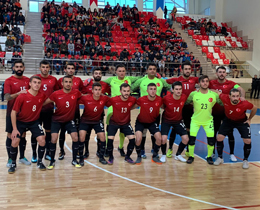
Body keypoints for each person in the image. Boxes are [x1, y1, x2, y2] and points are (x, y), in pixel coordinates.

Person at [131, 63, 171, 158]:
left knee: (155, 133)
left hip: (156, 113)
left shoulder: (161, 81)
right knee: (143, 133)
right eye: (150, 69)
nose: (152, 70)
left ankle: (154, 149)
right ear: (147, 70)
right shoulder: (141, 80)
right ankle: (142, 150)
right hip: (144, 112)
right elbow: (131, 88)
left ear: (156, 70)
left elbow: (171, 88)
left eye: (154, 69)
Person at [9, 76, 47, 174]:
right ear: (30, 83)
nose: (37, 84)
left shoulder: (42, 95)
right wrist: (14, 129)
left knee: (42, 140)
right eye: (34, 82)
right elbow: (13, 112)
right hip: (21, 122)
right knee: (15, 141)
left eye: (39, 83)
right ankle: (13, 163)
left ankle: (39, 162)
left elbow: (44, 102)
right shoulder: (22, 96)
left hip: (34, 122)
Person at [44, 76, 82, 169]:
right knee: (54, 138)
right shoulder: (56, 94)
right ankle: (52, 160)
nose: (68, 84)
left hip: (69, 120)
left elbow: (85, 97)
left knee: (75, 137)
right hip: (56, 120)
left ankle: (74, 160)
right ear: (62, 83)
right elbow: (45, 102)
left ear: (72, 84)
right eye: (66, 82)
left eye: (70, 82)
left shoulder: (76, 93)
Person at [209, 66, 246, 161]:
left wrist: (242, 97)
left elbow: (241, 89)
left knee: (230, 134)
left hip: (227, 114)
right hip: (215, 113)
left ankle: (232, 154)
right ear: (216, 73)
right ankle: (212, 153)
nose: (221, 74)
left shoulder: (231, 84)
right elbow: (203, 86)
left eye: (223, 72)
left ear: (226, 74)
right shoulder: (211, 83)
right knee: (213, 133)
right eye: (220, 72)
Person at [214, 89, 257, 169]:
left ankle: (245, 160)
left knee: (247, 140)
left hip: (241, 121)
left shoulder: (244, 104)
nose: (235, 98)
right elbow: (217, 92)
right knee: (219, 137)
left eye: (237, 96)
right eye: (233, 96)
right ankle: (220, 157)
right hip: (228, 120)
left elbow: (254, 108)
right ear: (229, 96)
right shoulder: (224, 98)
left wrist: (249, 119)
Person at [103, 64, 140, 156]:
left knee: (123, 130)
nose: (121, 73)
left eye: (123, 71)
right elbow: (100, 82)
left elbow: (140, 79)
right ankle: (108, 148)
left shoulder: (129, 79)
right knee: (110, 129)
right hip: (113, 107)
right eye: (119, 71)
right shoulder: (111, 80)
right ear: (116, 72)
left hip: (124, 107)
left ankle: (120, 147)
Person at [185, 75, 222, 165]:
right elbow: (187, 102)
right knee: (192, 140)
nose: (205, 83)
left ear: (208, 83)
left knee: (211, 140)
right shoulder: (193, 94)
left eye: (206, 81)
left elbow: (222, 103)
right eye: (203, 81)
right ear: (199, 83)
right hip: (195, 120)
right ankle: (191, 156)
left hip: (208, 121)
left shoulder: (214, 95)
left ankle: (209, 157)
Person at [166, 62, 199, 158]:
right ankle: (170, 148)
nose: (188, 71)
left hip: (189, 109)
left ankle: (188, 150)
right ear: (182, 70)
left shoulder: (194, 79)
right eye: (186, 69)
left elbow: (208, 80)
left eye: (189, 69)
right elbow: (165, 82)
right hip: (179, 109)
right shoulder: (177, 80)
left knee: (189, 130)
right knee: (175, 129)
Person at [31, 60, 59, 163]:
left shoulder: (53, 79)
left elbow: (56, 93)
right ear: (40, 68)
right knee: (35, 133)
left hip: (49, 110)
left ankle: (47, 153)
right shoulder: (36, 79)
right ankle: (34, 153)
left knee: (48, 132)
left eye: (47, 67)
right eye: (43, 67)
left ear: (49, 68)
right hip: (36, 110)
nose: (45, 69)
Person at [4, 60, 30, 168]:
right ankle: (10, 158)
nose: (19, 68)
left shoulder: (28, 80)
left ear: (24, 68)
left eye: (21, 67)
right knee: (11, 135)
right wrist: (19, 94)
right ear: (13, 68)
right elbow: (7, 97)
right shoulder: (9, 80)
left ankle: (22, 157)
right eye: (17, 67)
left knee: (23, 135)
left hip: (23, 113)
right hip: (11, 113)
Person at [57, 63, 84, 160]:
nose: (71, 70)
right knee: (62, 132)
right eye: (69, 68)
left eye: (72, 68)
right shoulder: (60, 80)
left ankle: (76, 150)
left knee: (75, 132)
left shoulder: (78, 80)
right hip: (62, 111)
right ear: (65, 69)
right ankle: (61, 150)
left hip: (75, 111)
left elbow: (83, 92)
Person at [82, 68, 111, 158]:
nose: (98, 75)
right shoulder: (87, 83)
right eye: (96, 73)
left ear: (101, 75)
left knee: (100, 134)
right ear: (93, 75)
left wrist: (104, 95)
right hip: (87, 112)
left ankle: (99, 151)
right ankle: (86, 151)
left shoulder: (105, 85)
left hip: (99, 113)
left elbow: (109, 95)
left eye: (99, 73)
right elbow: (82, 94)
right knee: (87, 134)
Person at [78, 83, 109, 165]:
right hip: (85, 121)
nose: (97, 91)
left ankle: (101, 157)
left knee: (102, 136)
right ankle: (81, 158)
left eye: (99, 90)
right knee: (82, 137)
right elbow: (74, 100)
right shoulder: (85, 98)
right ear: (92, 91)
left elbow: (114, 102)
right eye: (96, 90)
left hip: (97, 121)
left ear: (101, 90)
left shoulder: (105, 98)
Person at [132, 83, 163, 165]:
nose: (153, 91)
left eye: (154, 89)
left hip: (152, 122)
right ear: (147, 91)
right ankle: (139, 156)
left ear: (156, 90)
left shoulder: (159, 100)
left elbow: (166, 107)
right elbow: (131, 107)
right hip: (141, 122)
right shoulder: (142, 99)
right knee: (138, 139)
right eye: (151, 89)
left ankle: (155, 156)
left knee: (159, 139)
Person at [106, 83, 137, 164]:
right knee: (110, 140)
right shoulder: (114, 99)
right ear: (120, 91)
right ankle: (111, 157)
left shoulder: (132, 99)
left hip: (125, 123)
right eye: (124, 91)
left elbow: (136, 104)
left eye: (128, 91)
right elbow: (106, 104)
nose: (126, 93)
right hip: (114, 122)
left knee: (133, 139)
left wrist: (129, 108)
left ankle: (127, 157)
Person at [161, 81, 189, 163]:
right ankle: (163, 155)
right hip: (166, 120)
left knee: (186, 139)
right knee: (164, 138)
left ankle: (178, 155)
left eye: (180, 89)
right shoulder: (166, 98)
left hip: (178, 120)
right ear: (172, 90)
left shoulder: (184, 97)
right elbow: (162, 106)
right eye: (176, 89)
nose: (178, 91)